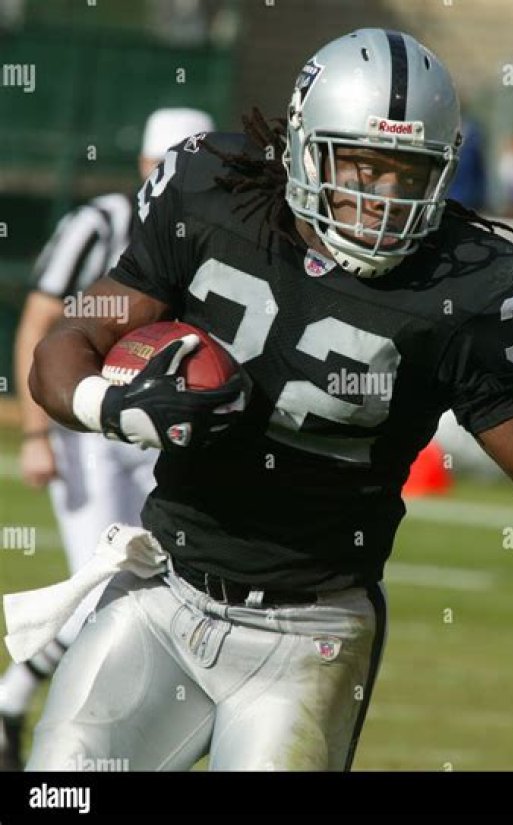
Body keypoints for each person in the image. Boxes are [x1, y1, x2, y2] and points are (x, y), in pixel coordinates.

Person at [15, 29, 513, 772]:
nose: (383, 199)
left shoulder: (467, 289)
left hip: (311, 633)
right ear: (303, 146)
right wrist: (110, 405)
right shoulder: (212, 197)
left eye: (409, 174)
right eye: (364, 166)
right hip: (162, 590)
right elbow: (70, 339)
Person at [0, 108, 215, 771]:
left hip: (159, 435)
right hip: (90, 426)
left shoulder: (219, 230)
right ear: (146, 165)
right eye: (168, 165)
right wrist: (37, 430)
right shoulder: (99, 223)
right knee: (105, 585)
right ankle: (18, 706)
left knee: (159, 581)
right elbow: (41, 322)